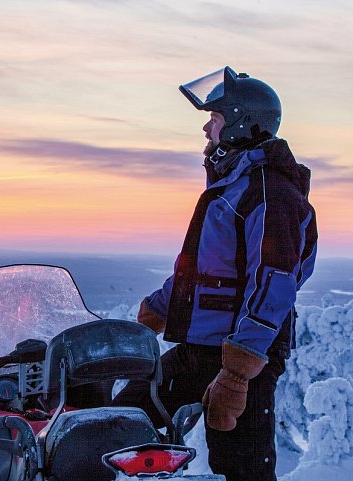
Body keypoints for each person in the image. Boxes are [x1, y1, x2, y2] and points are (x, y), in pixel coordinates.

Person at [112, 66, 317, 481]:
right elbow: (199, 272)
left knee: (240, 470)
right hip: (199, 349)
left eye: (215, 118)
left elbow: (274, 284)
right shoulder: (232, 188)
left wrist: (239, 372)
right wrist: (152, 314)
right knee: (120, 423)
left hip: (243, 360)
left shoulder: (270, 193)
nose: (207, 129)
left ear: (241, 122)